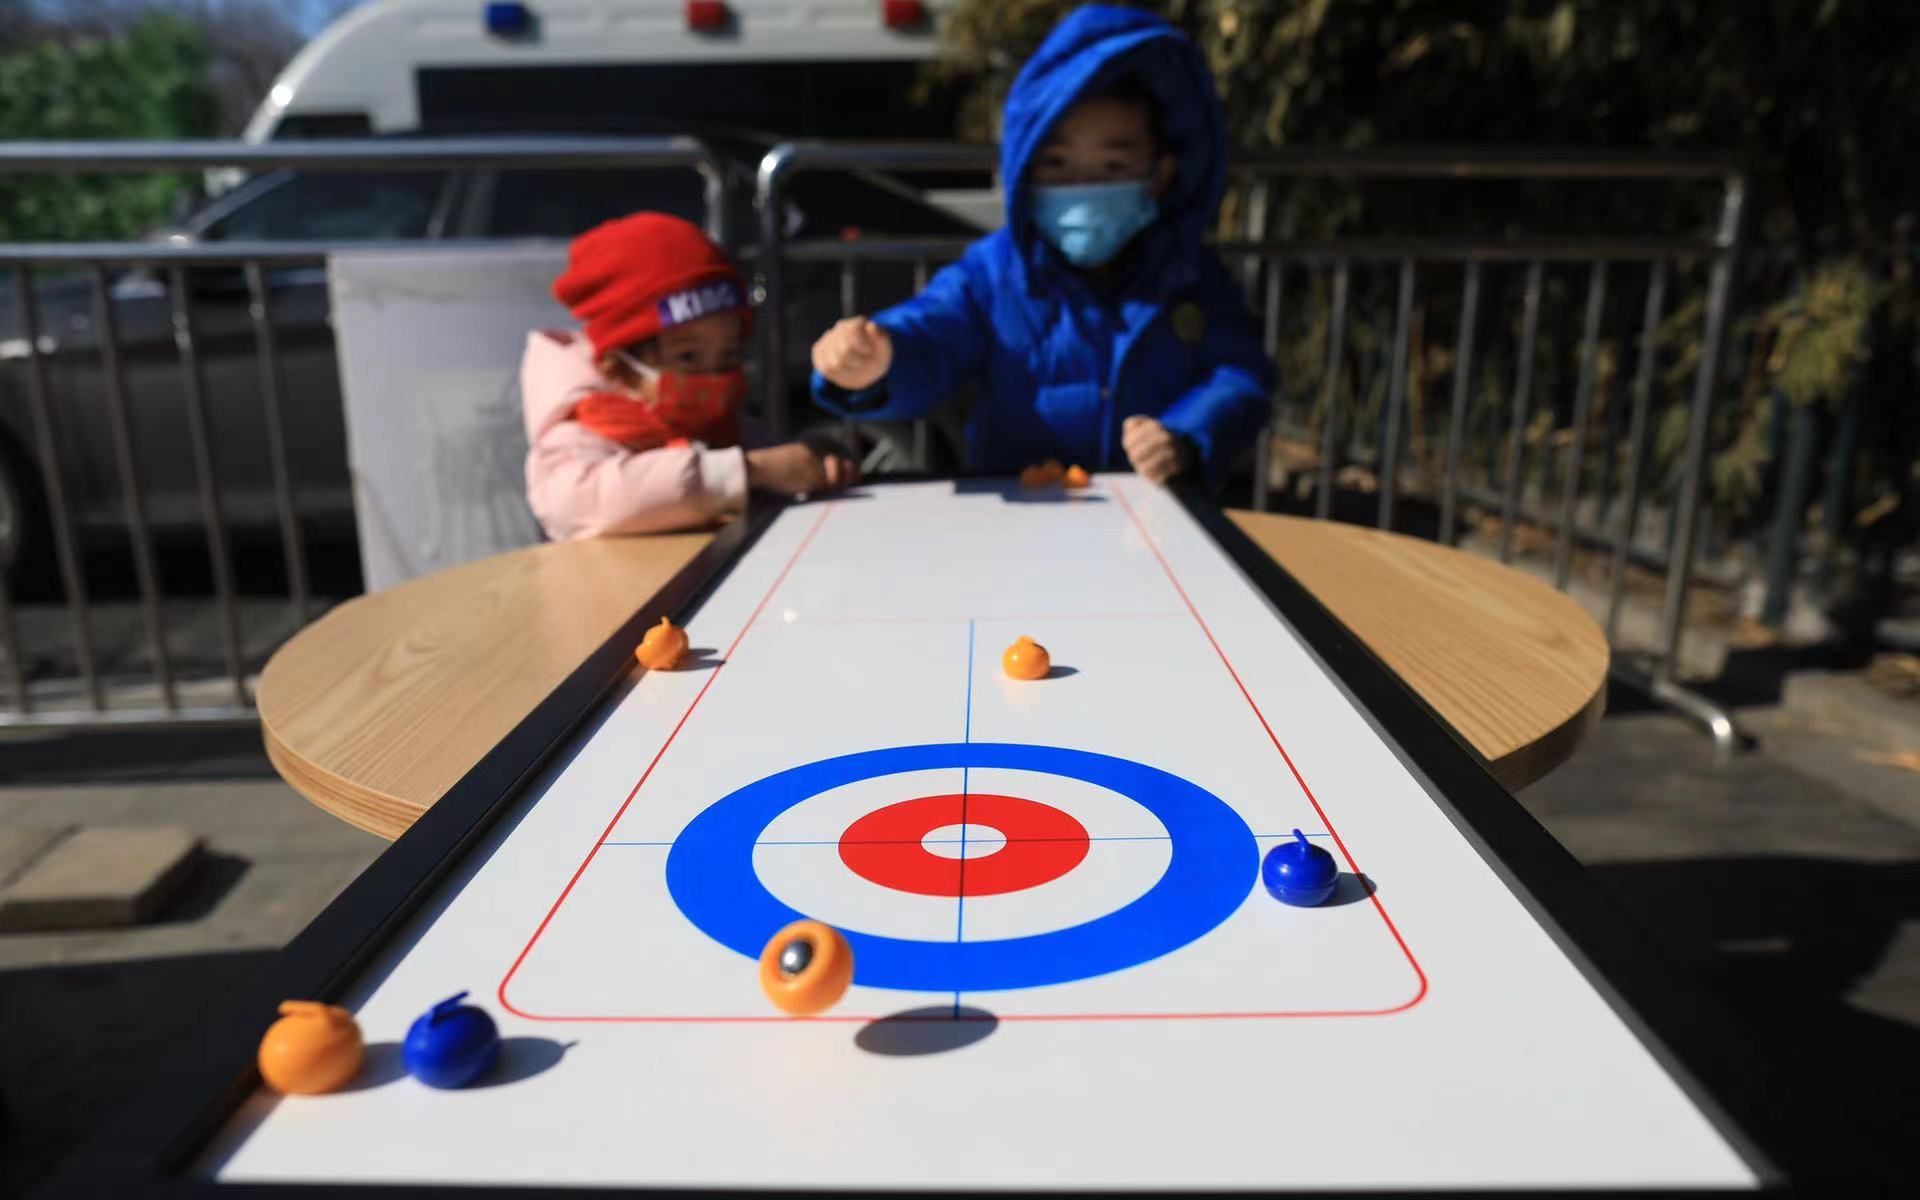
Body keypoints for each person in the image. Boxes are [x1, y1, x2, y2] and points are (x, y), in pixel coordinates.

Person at [810, 4, 1273, 487]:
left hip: (1151, 518)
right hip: (1022, 519)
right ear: (1024, 172)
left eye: (1113, 167)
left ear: (1161, 174)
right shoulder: (992, 273)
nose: (1084, 187)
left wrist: (1187, 434)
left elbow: (1238, 375)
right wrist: (878, 360)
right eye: (1057, 165)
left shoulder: (1193, 274)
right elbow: (932, 335)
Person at [523, 212, 856, 540]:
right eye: (688, 357)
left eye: (729, 356)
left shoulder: (721, 426)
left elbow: (779, 465)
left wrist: (816, 461)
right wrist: (747, 471)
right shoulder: (579, 432)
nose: (713, 378)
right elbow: (578, 502)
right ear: (619, 367)